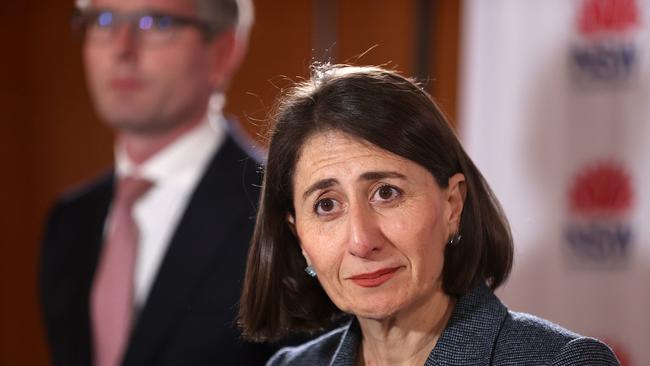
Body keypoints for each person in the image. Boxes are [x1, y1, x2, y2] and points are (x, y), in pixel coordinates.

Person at [238, 64, 621, 365]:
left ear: (452, 204)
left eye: (386, 193)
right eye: (326, 205)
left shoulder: (561, 363)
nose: (361, 240)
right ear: (298, 237)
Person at [40, 0, 275, 365]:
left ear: (224, 52)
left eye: (156, 22)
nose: (122, 48)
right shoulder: (69, 221)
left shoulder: (278, 209)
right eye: (103, 20)